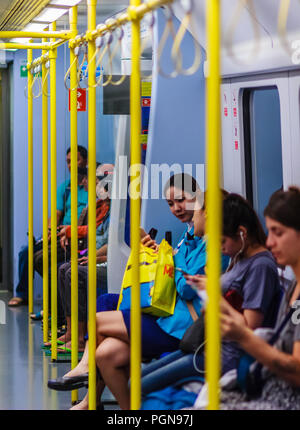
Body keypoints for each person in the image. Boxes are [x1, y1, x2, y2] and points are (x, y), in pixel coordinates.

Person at [49, 173, 228, 410]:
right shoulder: (191, 237)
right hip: (169, 312)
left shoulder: (212, 246)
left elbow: (185, 285)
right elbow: (176, 265)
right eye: (170, 204)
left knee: (98, 321)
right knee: (105, 348)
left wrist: (171, 261)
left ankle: (86, 370)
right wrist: (161, 255)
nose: (178, 209)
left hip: (177, 323)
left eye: (184, 202)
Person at [139, 193, 281, 409]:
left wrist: (213, 296)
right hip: (209, 345)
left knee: (141, 386)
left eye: (221, 241)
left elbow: (250, 328)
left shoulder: (260, 266)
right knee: (136, 382)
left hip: (225, 356)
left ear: (241, 234)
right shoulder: (239, 258)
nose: (219, 247)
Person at [217, 187, 300, 410]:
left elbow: (297, 371)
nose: (270, 242)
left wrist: (243, 336)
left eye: (278, 232)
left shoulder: (262, 266)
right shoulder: (294, 288)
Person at [8, 146, 88, 307]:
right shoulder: (66, 187)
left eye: (76, 160)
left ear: (85, 161)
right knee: (26, 251)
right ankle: (23, 294)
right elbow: (56, 214)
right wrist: (50, 230)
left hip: (76, 234)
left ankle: (54, 301)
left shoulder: (91, 187)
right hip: (60, 232)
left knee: (42, 259)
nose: (71, 165)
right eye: (68, 161)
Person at [51, 165, 113, 351]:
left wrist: (96, 258)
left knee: (74, 273)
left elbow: (115, 244)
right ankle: (71, 331)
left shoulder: (116, 210)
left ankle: (79, 338)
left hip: (113, 263)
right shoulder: (104, 208)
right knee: (63, 269)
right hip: (97, 255)